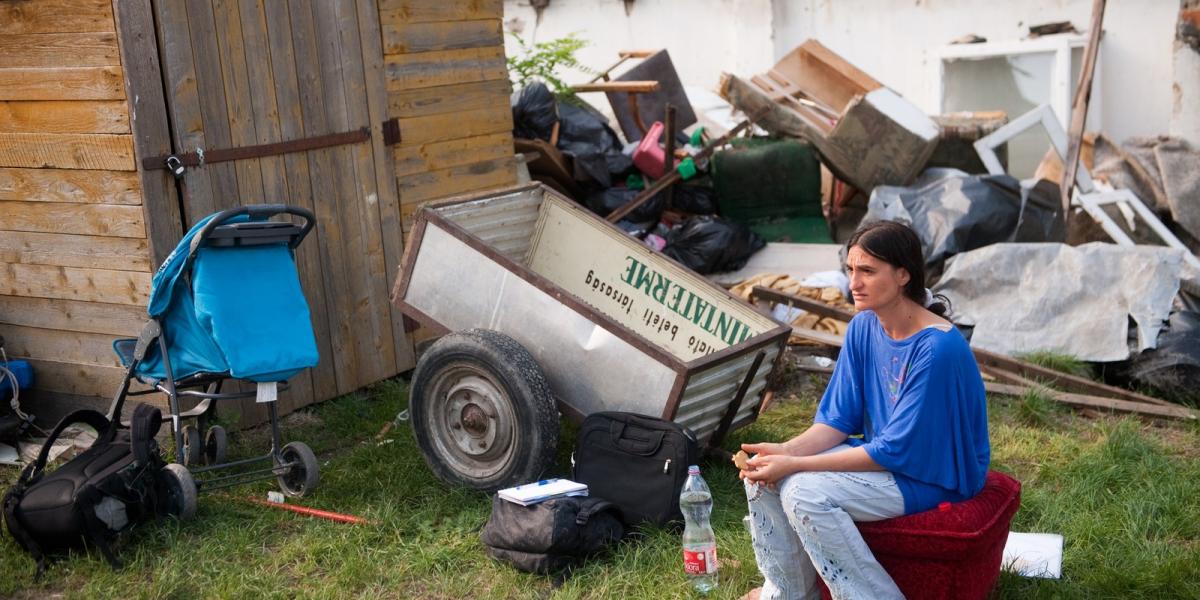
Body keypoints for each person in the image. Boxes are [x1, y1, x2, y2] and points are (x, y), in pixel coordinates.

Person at [738, 220, 990, 600]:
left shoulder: (937, 350)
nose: (854, 282)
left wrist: (795, 465)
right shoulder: (863, 327)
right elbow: (838, 421)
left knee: (803, 492)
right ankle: (787, 594)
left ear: (904, 274)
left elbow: (894, 451)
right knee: (761, 477)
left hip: (932, 474)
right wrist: (784, 451)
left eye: (868, 271)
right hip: (888, 458)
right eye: (851, 270)